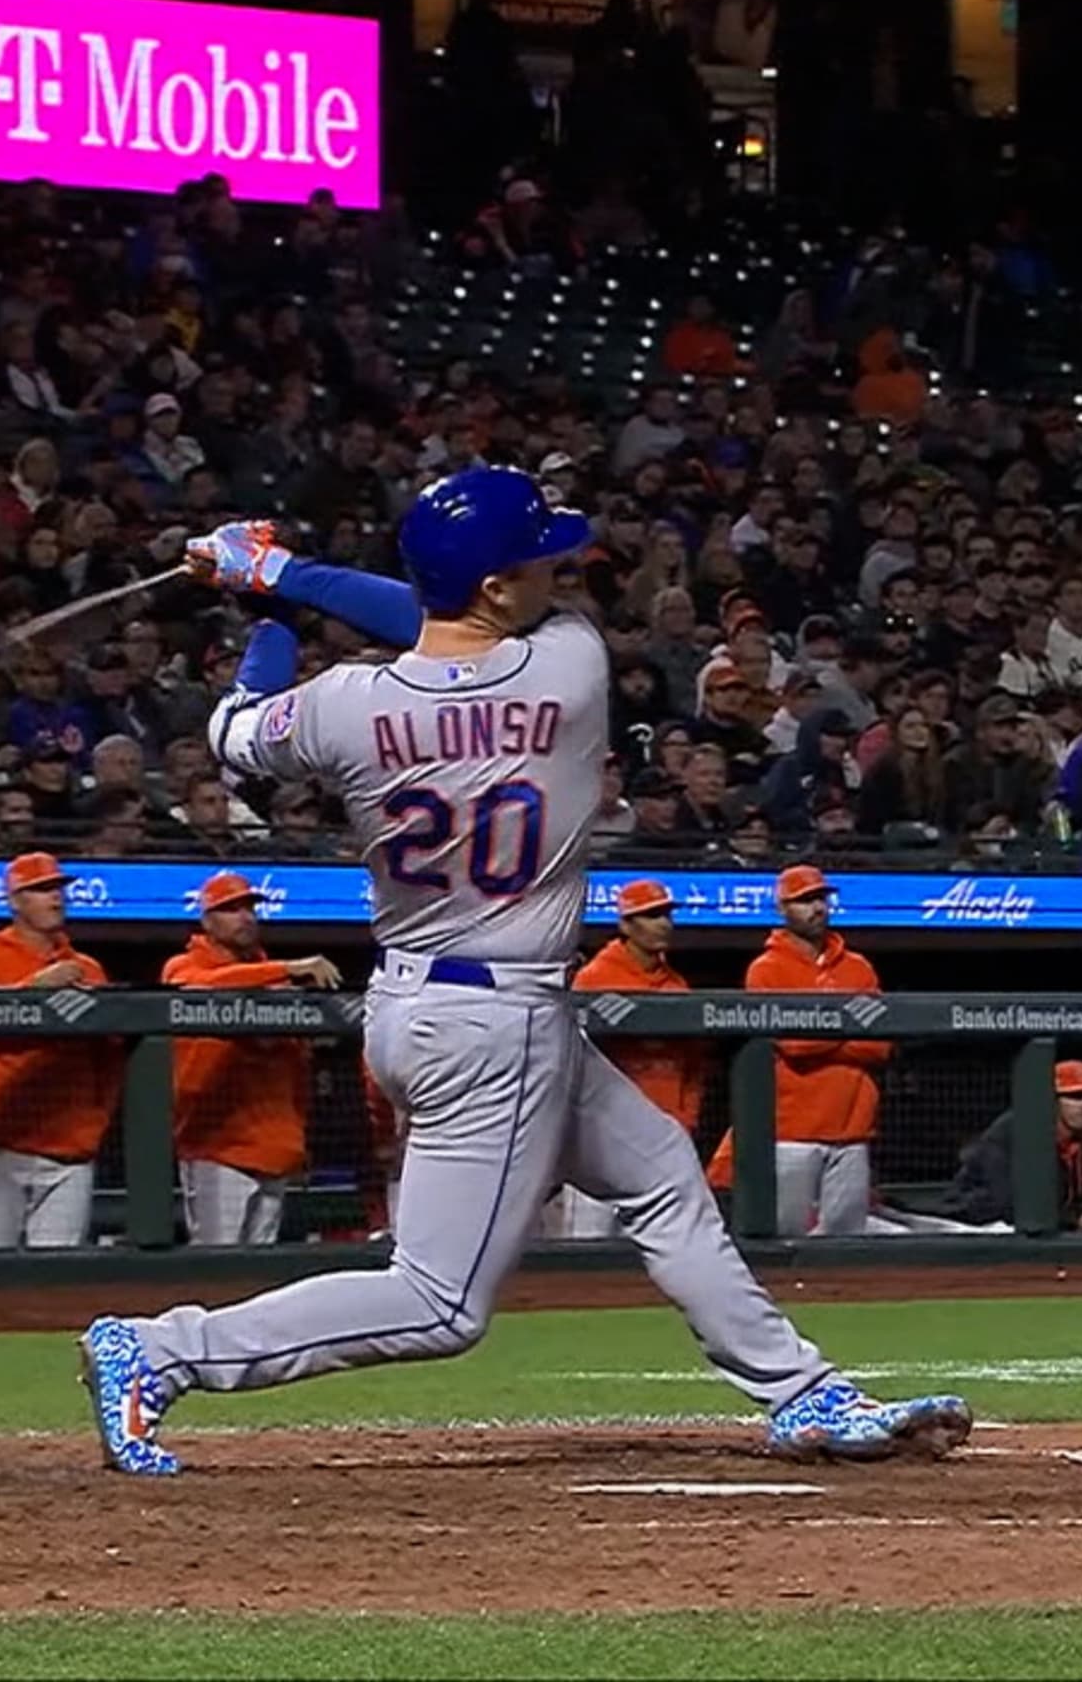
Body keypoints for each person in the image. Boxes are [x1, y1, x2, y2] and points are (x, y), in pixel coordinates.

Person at [77, 469, 969, 1474]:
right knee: (439, 1302)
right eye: (540, 554)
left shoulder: (341, 705)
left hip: (431, 1001)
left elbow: (234, 732)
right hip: (492, 1028)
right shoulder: (569, 667)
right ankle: (159, 1351)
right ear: (497, 586)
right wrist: (290, 571)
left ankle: (801, 1394)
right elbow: (421, 610)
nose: (560, 563)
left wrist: (269, 603)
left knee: (662, 1177)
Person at [163, 871, 340, 1246]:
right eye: (230, 909)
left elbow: (297, 1072)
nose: (244, 916)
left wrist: (297, 1141)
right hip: (216, 1145)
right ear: (206, 921)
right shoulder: (185, 966)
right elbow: (201, 988)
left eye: (249, 908)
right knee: (215, 1268)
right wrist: (287, 968)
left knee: (256, 1275)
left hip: (274, 1146)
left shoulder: (276, 982)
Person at [0, 852, 115, 1250]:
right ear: (14, 900)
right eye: (41, 890)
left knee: (58, 1279)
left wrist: (95, 1121)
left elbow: (110, 1059)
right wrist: (34, 989)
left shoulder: (87, 968)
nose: (56, 898)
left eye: (58, 888)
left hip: (69, 1145)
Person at [731, 864, 890, 1236]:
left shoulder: (858, 967)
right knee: (784, 1235)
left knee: (846, 1238)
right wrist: (847, 1027)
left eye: (820, 898)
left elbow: (879, 1046)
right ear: (782, 909)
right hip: (792, 1130)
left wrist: (820, 1029)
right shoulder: (766, 969)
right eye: (804, 901)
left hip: (853, 1128)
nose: (817, 907)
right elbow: (793, 1044)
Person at [554, 879, 702, 1238]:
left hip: (663, 1136)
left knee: (660, 1249)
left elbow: (693, 1065)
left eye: (666, 914)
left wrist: (686, 1118)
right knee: (589, 1245)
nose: (664, 923)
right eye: (651, 915)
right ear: (625, 925)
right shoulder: (595, 978)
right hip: (602, 1141)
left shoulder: (677, 985)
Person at [944, 1060, 1082, 1230]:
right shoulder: (1017, 1132)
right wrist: (1081, 1221)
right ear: (1051, 1101)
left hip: (1041, 1230)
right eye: (1075, 1097)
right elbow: (1007, 1202)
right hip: (974, 1225)